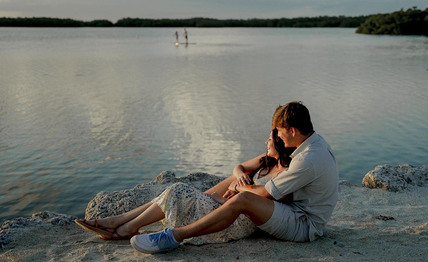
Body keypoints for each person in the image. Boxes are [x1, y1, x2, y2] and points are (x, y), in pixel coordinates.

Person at [130, 101, 339, 254]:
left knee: (244, 197)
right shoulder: (314, 143)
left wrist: (238, 188)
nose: (279, 139)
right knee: (237, 188)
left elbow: (264, 193)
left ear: (293, 130)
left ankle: (174, 236)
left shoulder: (308, 159)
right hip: (297, 212)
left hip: (303, 224)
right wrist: (238, 180)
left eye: (280, 132)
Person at [75, 129, 295, 245]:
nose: (266, 143)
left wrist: (235, 192)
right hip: (226, 206)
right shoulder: (266, 160)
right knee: (175, 190)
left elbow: (258, 205)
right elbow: (238, 167)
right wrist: (239, 177)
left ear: (280, 144)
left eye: (270, 140)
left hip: (236, 220)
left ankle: (122, 226)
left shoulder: (286, 175)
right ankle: (120, 223)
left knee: (177, 190)